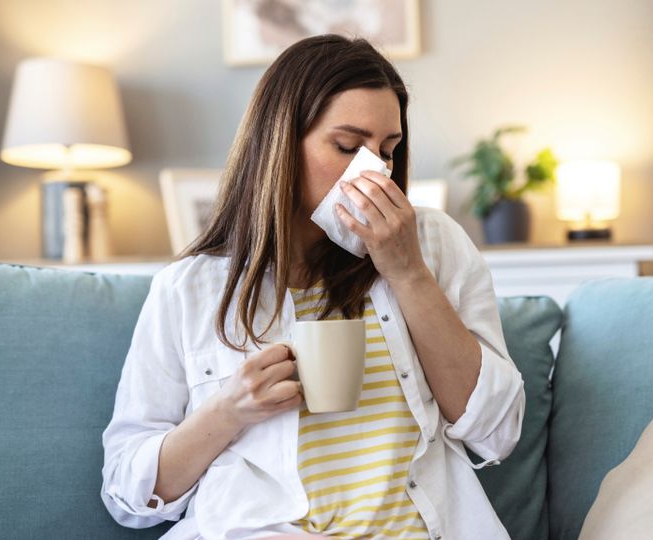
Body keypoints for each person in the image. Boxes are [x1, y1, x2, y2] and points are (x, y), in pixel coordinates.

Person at [101, 34, 525, 540]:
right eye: (347, 147)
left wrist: (407, 272)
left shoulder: (432, 244)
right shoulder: (189, 288)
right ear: (280, 144)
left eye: (387, 151)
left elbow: (497, 434)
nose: (374, 170)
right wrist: (228, 411)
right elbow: (129, 496)